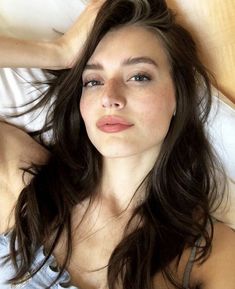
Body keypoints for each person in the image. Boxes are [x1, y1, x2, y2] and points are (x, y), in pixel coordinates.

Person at [0, 0, 235, 289]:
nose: (110, 97)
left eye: (139, 76)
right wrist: (57, 53)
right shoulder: (24, 186)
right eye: (94, 81)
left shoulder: (209, 253)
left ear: (178, 95)